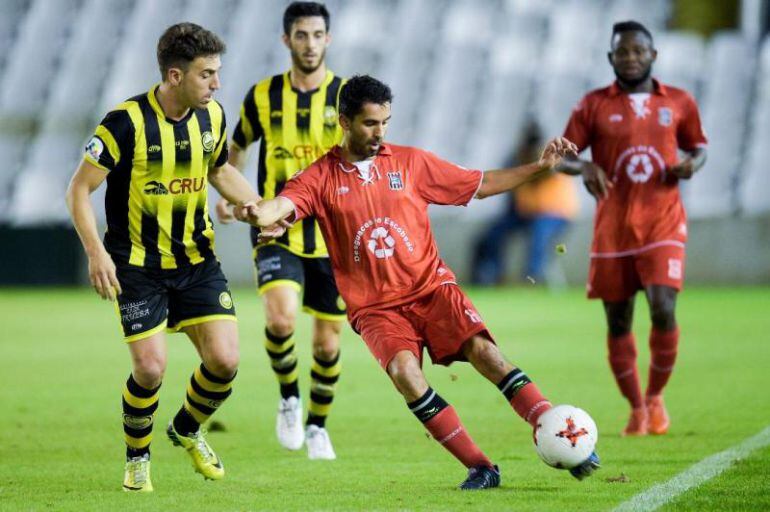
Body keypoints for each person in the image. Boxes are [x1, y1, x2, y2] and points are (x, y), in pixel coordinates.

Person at [238, 75, 600, 489]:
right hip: (375, 308)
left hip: (431, 289)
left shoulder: (411, 163)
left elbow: (480, 185)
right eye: (370, 124)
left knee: (487, 354)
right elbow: (280, 207)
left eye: (385, 122)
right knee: (406, 375)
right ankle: (481, 467)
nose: (379, 133)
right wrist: (257, 213)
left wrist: (539, 168)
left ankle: (554, 429)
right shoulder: (319, 176)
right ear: (344, 121)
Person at [65, 23, 271, 492]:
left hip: (196, 260)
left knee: (224, 361)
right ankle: (137, 458)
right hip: (136, 266)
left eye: (217, 73)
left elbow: (219, 170)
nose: (217, 83)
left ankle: (188, 428)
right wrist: (96, 253)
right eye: (207, 74)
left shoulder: (213, 117)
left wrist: (258, 207)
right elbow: (78, 189)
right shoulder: (124, 122)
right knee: (151, 367)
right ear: (175, 76)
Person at [557, 21, 707, 436]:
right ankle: (637, 407)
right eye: (622, 52)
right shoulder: (592, 105)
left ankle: (656, 397)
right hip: (613, 229)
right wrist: (583, 163)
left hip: (663, 221)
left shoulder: (678, 101)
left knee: (663, 306)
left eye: (638, 51)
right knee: (618, 321)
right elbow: (560, 156)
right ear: (611, 58)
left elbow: (699, 147)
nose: (630, 58)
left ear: (653, 55)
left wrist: (692, 163)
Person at [216, 1, 345, 460]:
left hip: (335, 237)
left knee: (328, 343)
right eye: (301, 35)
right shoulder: (262, 96)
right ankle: (290, 397)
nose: (309, 44)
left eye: (317, 35)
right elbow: (238, 146)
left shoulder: (347, 98)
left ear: (327, 40)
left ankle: (318, 425)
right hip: (276, 229)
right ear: (286, 40)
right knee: (280, 318)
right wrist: (235, 197)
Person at [472, 123, 578, 285]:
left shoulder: (551, 156)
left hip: (554, 214)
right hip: (525, 214)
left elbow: (546, 173)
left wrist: (536, 162)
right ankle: (493, 277)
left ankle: (532, 279)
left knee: (539, 233)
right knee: (492, 235)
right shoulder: (517, 158)